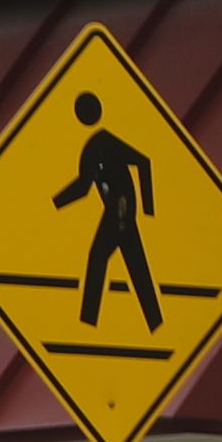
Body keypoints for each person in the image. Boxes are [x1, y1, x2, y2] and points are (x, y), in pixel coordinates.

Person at [55, 91, 163, 333]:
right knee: (135, 267)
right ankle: (154, 324)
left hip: (121, 212)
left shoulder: (105, 142)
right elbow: (83, 187)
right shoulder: (92, 148)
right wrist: (54, 203)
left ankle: (87, 324)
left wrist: (148, 210)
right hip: (117, 212)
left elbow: (144, 163)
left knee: (101, 259)